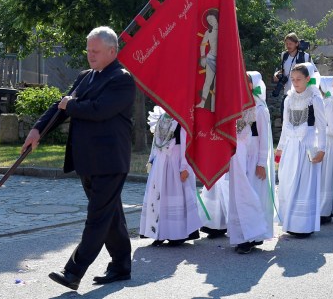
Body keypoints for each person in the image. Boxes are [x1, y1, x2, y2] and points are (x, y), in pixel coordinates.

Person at [22, 26, 135, 290]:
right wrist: (38, 129)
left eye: (95, 51)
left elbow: (99, 110)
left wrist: (69, 106)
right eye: (88, 50)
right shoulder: (87, 76)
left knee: (97, 218)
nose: (90, 55)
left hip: (109, 161)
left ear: (112, 51)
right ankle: (121, 266)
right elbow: (60, 106)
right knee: (110, 216)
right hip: (87, 160)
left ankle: (73, 272)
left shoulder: (122, 79)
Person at [275, 63, 326, 238]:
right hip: (291, 146)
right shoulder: (288, 99)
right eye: (293, 79)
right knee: (288, 181)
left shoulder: (314, 99)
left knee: (304, 185)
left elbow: (321, 126)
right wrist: (280, 148)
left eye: (299, 79)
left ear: (307, 79)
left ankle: (303, 225)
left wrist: (322, 149)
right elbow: (285, 125)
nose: (295, 82)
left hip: (307, 145)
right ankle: (290, 221)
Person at [140, 106, 201, 246]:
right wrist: (151, 159)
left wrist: (185, 166)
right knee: (158, 197)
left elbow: (187, 144)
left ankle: (177, 234)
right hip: (160, 164)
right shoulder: (162, 117)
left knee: (175, 196)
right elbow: (156, 143)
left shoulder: (183, 117)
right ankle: (159, 233)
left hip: (175, 162)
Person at [227, 72, 274, 254]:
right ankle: (240, 235)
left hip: (253, 159)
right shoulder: (235, 106)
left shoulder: (260, 109)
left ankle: (252, 236)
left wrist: (262, 162)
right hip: (237, 159)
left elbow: (263, 139)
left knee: (251, 194)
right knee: (237, 195)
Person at [318, 76, 333, 223]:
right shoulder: (322, 102)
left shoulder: (330, 104)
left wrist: (318, 129)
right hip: (321, 142)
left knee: (326, 178)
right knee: (320, 178)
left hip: (328, 144)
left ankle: (325, 210)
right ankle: (319, 209)